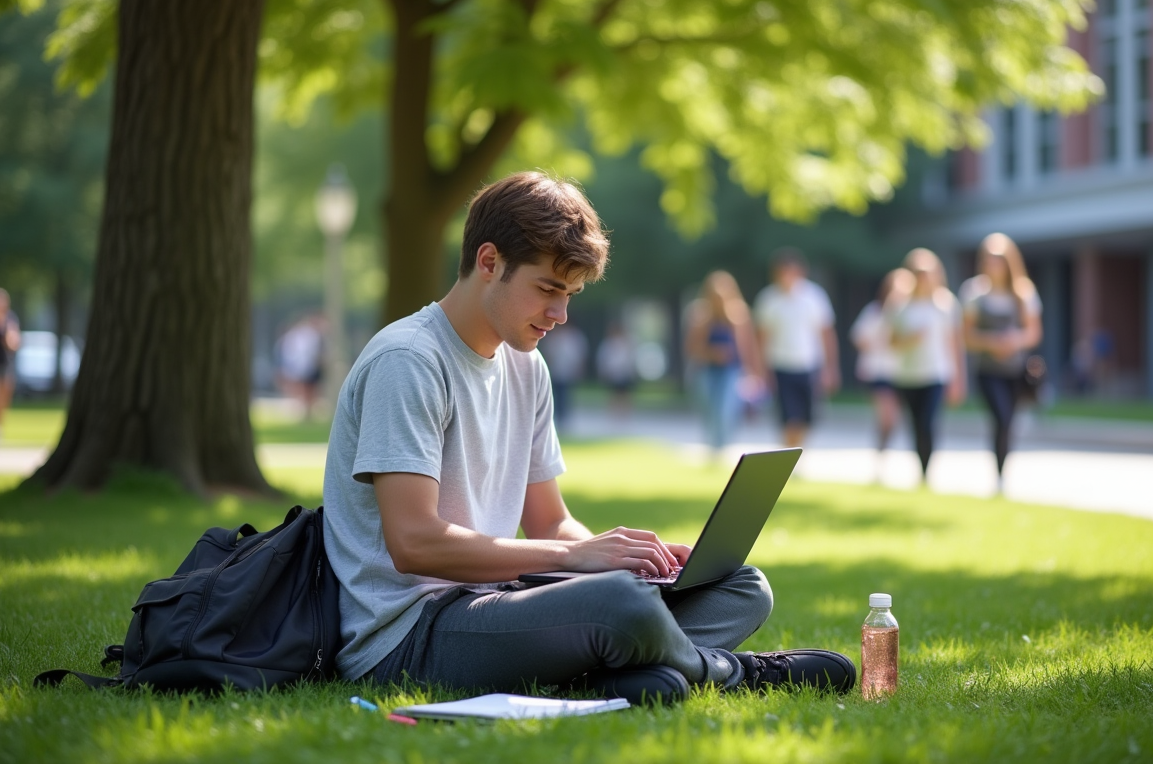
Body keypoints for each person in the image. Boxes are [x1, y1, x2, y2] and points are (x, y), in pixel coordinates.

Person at [321, 172, 855, 705]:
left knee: (740, 586)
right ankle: (730, 671)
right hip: (410, 635)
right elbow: (414, 542)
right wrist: (579, 560)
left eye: (571, 295)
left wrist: (631, 559)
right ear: (489, 262)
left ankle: (619, 673)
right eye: (547, 290)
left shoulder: (525, 367)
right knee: (617, 606)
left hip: (498, 601)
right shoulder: (409, 361)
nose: (560, 315)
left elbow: (549, 522)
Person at [960, 233, 1043, 491]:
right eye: (989, 260)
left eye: (999, 260)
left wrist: (1013, 341)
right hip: (988, 369)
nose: (993, 265)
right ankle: (998, 474)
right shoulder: (974, 293)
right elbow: (966, 336)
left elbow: (1033, 332)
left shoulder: (1023, 292)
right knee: (1001, 416)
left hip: (1015, 369)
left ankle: (1002, 471)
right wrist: (992, 342)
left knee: (1009, 421)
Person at [886, 249, 966, 483]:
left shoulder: (946, 304)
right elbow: (891, 342)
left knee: (928, 422)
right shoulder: (899, 305)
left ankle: (927, 470)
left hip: (936, 374)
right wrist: (910, 339)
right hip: (908, 376)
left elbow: (955, 344)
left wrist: (959, 379)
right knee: (915, 424)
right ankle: (920, 468)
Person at [753, 248, 840, 449]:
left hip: (810, 365)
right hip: (781, 366)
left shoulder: (814, 296)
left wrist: (831, 367)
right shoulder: (768, 299)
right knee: (788, 418)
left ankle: (798, 451)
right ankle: (789, 453)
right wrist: (761, 371)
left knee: (807, 417)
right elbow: (762, 338)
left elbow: (826, 334)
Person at [685, 271, 761, 456]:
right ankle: (713, 446)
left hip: (731, 369)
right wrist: (712, 353)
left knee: (726, 408)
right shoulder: (701, 314)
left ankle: (722, 446)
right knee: (709, 408)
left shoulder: (739, 313)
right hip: (707, 369)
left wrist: (754, 372)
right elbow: (692, 347)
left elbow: (748, 346)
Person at [850, 269, 913, 465]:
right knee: (887, 416)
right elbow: (859, 338)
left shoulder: (909, 313)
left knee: (893, 419)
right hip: (877, 371)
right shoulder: (875, 312)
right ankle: (881, 453)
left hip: (902, 373)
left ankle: (882, 451)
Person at [0, 288, 21, 444]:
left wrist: (5, 331)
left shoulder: (10, 319)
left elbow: (13, 344)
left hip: (6, 364)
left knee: (3, 399)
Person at [539, 319, 588, 432]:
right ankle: (556, 418)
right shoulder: (554, 337)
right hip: (556, 371)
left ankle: (564, 419)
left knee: (565, 395)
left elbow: (579, 354)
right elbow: (548, 353)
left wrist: (579, 368)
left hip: (568, 371)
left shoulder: (574, 337)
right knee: (555, 395)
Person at [274, 314, 324, 420]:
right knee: (305, 389)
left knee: (309, 389)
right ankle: (305, 411)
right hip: (304, 366)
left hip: (307, 366)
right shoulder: (300, 336)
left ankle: (308, 411)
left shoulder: (311, 335)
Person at [595, 321, 638, 417]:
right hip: (612, 373)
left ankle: (624, 413)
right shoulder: (608, 343)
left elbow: (630, 358)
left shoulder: (626, 343)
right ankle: (614, 413)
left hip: (624, 373)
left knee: (625, 394)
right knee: (613, 394)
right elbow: (603, 358)